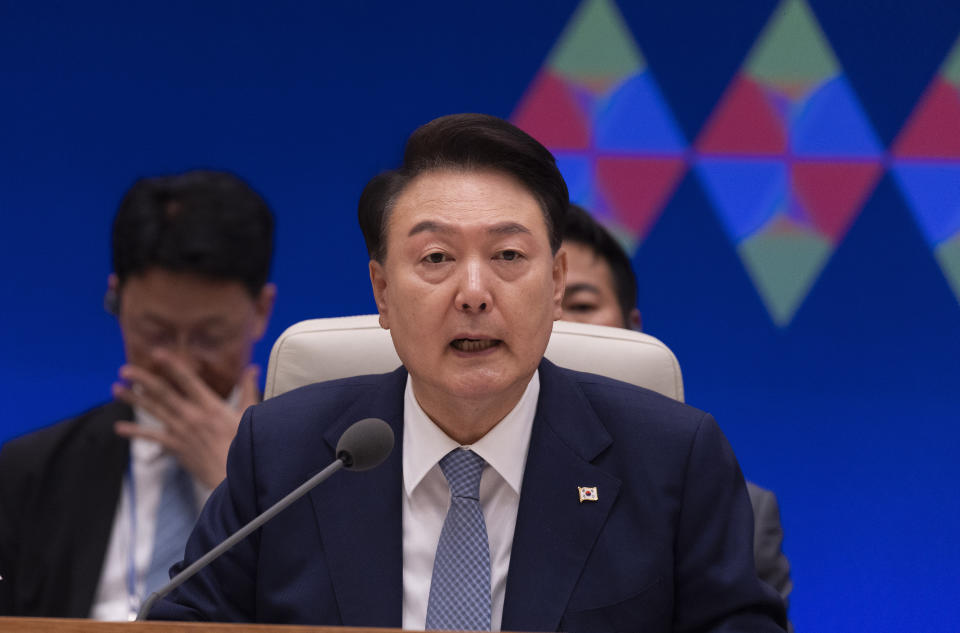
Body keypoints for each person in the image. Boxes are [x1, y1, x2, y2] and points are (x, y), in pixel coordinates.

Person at [151, 114, 786, 632]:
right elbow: (180, 621)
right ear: (382, 292)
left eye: (509, 255)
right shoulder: (285, 456)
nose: (474, 292)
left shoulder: (673, 459)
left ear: (557, 283)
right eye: (436, 258)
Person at [0, 170, 277, 620]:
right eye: (157, 333)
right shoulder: (30, 474)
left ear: (261, 312)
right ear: (115, 301)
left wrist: (235, 484)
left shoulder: (323, 464)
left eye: (210, 336)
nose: (181, 362)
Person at [560, 203, 794, 613]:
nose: (557, 328)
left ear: (632, 328)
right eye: (539, 305)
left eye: (580, 306)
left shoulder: (728, 512)